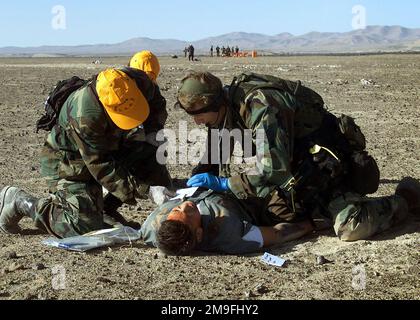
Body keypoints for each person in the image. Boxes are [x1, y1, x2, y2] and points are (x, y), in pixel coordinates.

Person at [172, 71, 420, 245]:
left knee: (349, 226)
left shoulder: (261, 106)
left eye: (198, 114)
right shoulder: (224, 111)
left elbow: (274, 169)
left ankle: (406, 198)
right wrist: (195, 184)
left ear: (214, 103)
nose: (195, 121)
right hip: (295, 168)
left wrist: (226, 184)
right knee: (271, 212)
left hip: (324, 166)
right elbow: (215, 152)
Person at [0, 67, 172, 238]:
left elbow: (156, 103)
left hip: (113, 144)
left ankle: (105, 209)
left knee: (150, 156)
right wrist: (147, 190)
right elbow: (101, 165)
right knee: (83, 226)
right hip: (70, 161)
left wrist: (152, 132)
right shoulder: (85, 116)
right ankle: (20, 202)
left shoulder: (137, 81)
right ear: (106, 107)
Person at [141, 188, 313, 255]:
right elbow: (277, 234)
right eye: (189, 213)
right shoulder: (228, 232)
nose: (185, 206)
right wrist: (312, 225)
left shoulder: (152, 227)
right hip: (245, 199)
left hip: (198, 186)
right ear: (199, 233)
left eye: (176, 209)